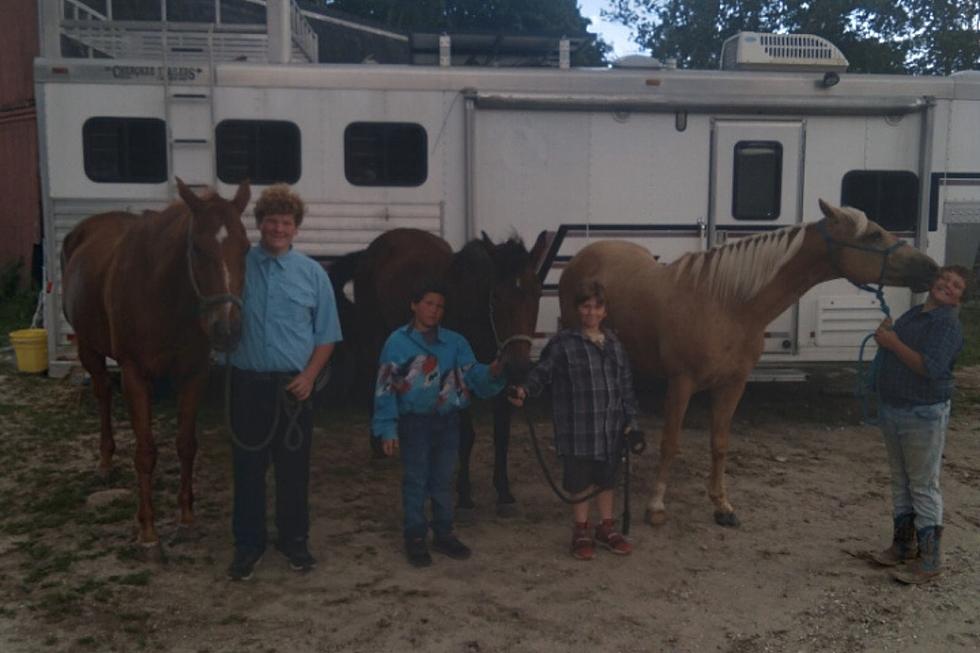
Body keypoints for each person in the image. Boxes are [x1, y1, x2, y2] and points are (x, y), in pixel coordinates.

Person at [226, 184, 342, 581]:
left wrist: (310, 377)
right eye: (272, 221)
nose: (278, 229)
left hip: (294, 389)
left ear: (296, 228)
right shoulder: (239, 266)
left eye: (286, 223)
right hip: (247, 384)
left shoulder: (312, 275)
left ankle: (295, 541)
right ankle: (248, 544)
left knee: (294, 471)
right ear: (259, 224)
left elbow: (326, 335)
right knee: (248, 469)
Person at [373, 280, 505, 567]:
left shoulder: (455, 343)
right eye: (429, 303)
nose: (434, 311)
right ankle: (416, 536)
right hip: (414, 423)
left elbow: (473, 375)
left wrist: (494, 371)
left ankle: (444, 532)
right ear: (414, 305)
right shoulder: (397, 343)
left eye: (440, 306)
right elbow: (385, 388)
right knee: (416, 479)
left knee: (444, 479)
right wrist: (387, 428)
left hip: (447, 421)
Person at [509, 280, 639, 561]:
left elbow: (626, 386)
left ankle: (606, 527)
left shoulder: (615, 345)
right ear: (578, 310)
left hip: (610, 430)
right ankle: (581, 530)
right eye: (586, 307)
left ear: (604, 311)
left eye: (597, 307)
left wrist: (632, 422)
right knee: (579, 481)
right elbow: (542, 372)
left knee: (606, 480)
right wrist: (524, 389)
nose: (591, 312)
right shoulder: (563, 344)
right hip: (577, 431)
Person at [870, 265, 972, 584]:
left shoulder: (946, 325)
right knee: (902, 481)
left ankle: (930, 561)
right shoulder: (915, 314)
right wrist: (886, 335)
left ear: (960, 298)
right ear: (933, 281)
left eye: (956, 285)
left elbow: (929, 367)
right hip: (896, 408)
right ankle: (902, 545)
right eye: (945, 279)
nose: (947, 285)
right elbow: (895, 350)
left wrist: (892, 343)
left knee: (924, 485)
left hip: (923, 412)